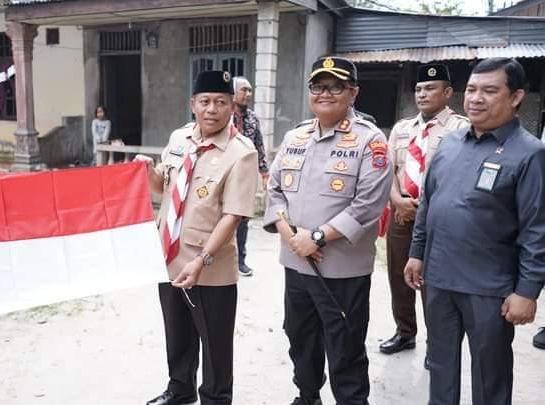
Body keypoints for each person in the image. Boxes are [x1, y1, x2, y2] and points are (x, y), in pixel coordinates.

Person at [404, 58, 545, 405]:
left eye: (490, 90)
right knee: (440, 365)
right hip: (438, 281)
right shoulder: (450, 144)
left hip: (490, 288)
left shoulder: (530, 154)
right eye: (472, 89)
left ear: (516, 97)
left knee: (490, 375)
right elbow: (428, 205)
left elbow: (537, 229)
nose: (476, 98)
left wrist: (527, 291)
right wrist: (417, 252)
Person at [264, 56, 392, 405]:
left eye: (335, 86)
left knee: (345, 345)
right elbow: (274, 190)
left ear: (353, 93)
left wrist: (316, 237)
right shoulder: (295, 136)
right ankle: (307, 396)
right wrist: (291, 235)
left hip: (342, 271)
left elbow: (369, 204)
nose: (325, 93)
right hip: (296, 264)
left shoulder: (371, 141)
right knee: (300, 337)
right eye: (318, 86)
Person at [135, 70, 258, 405]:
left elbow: (234, 215)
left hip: (210, 266)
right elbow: (162, 187)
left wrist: (202, 260)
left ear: (232, 106)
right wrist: (147, 171)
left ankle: (216, 398)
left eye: (221, 102)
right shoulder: (179, 140)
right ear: (193, 104)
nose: (212, 109)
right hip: (169, 257)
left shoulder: (241, 152)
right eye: (205, 101)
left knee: (215, 343)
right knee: (177, 333)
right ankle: (180, 388)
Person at [380, 64, 469, 359]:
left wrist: (421, 209)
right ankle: (405, 332)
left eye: (430, 88)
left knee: (434, 283)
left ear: (447, 93)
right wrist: (397, 200)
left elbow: (461, 176)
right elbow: (389, 172)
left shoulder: (462, 128)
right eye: (419, 89)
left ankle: (437, 344)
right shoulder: (402, 128)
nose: (422, 94)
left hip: (438, 220)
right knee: (397, 276)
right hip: (402, 214)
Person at [231, 76, 268, 277]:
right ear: (234, 92)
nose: (248, 94)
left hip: (246, 176)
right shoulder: (223, 116)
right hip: (225, 175)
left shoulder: (253, 118)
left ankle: (241, 261)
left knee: (243, 218)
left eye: (250, 90)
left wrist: (264, 171)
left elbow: (259, 145)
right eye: (244, 89)